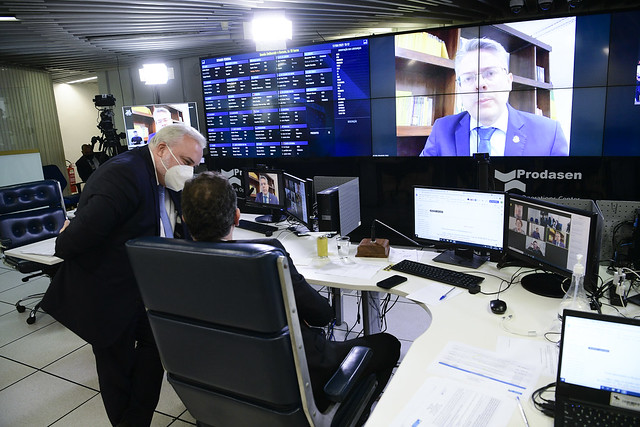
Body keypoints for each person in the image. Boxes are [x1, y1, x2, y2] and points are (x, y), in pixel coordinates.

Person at [181, 171, 400, 421]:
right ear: (237, 217)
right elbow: (322, 315)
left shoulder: (168, 263)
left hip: (224, 378)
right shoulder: (267, 255)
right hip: (294, 378)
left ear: (185, 219)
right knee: (388, 345)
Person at [41, 124, 206, 426]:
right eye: (186, 162)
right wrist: (66, 233)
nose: (189, 171)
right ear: (161, 149)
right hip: (109, 292)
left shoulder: (165, 177)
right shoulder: (123, 175)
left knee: (156, 350)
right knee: (115, 368)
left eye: (194, 165)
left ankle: (136, 418)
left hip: (148, 290)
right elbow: (69, 244)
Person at [419, 38, 568, 157]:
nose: (479, 84)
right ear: (459, 88)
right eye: (468, 78)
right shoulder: (442, 129)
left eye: (490, 73)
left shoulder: (549, 133)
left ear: (509, 81)